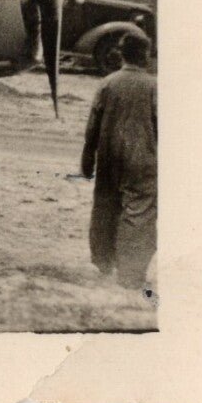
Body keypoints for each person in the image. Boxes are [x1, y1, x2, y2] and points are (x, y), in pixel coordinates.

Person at [81, 30, 157, 289]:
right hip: (142, 159)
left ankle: (103, 263)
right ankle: (131, 275)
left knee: (105, 207)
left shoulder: (107, 83)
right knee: (139, 212)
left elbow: (93, 125)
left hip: (109, 158)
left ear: (122, 55)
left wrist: (87, 157)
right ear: (145, 55)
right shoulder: (153, 87)